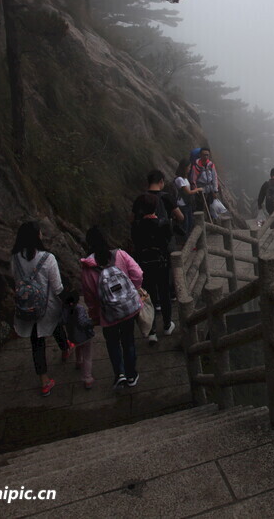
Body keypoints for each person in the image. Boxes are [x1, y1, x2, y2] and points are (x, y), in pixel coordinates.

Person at [10, 221, 70, 397]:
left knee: (36, 342)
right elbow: (58, 287)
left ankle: (44, 381)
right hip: (48, 306)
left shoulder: (14, 258)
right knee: (56, 324)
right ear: (37, 236)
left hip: (26, 306)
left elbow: (15, 279)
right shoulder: (47, 258)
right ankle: (66, 349)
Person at [80, 226, 144, 390]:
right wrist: (133, 291)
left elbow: (90, 297)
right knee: (129, 341)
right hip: (128, 310)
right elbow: (138, 274)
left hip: (107, 314)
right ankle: (131, 375)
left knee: (113, 343)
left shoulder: (88, 267)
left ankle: (120, 374)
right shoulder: (120, 255)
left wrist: (95, 316)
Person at [131, 192, 177, 345]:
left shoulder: (136, 226)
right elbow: (168, 241)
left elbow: (136, 244)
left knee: (147, 296)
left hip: (143, 265)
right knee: (164, 293)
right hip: (161, 263)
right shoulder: (163, 223)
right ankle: (167, 325)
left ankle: (151, 332)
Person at [188, 147, 220, 218]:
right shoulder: (196, 166)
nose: (205, 157)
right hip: (200, 191)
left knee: (212, 208)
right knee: (200, 208)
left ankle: (213, 224)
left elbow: (214, 177)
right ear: (200, 155)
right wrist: (196, 190)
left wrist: (215, 190)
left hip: (210, 190)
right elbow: (193, 180)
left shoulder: (211, 165)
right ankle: (201, 224)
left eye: (207, 155)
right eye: (204, 155)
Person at [174, 158, 202, 238]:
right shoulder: (179, 179)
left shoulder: (185, 178)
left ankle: (188, 241)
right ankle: (184, 242)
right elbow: (188, 192)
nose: (189, 169)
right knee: (185, 224)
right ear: (184, 167)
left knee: (190, 223)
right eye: (189, 167)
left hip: (188, 203)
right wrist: (198, 189)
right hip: (182, 204)